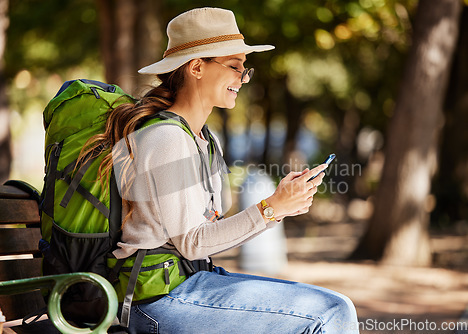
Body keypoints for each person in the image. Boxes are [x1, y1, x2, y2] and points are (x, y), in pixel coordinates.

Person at [85, 7, 359, 334]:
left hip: (192, 284)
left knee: (335, 306)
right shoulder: (165, 138)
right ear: (197, 67)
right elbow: (193, 242)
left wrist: (280, 206)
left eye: (245, 69)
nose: (242, 78)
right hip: (158, 301)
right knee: (331, 312)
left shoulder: (205, 139)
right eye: (234, 66)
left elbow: (206, 231)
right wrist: (271, 208)